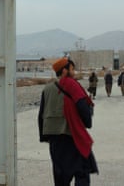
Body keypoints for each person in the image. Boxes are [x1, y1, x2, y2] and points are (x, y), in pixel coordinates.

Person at [38, 57, 98, 185]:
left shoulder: (47, 89)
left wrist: (44, 136)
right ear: (64, 71)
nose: (74, 72)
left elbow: (41, 114)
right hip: (71, 136)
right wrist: (87, 123)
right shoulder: (73, 85)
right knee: (81, 171)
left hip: (54, 139)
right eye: (72, 69)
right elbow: (83, 107)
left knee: (60, 174)